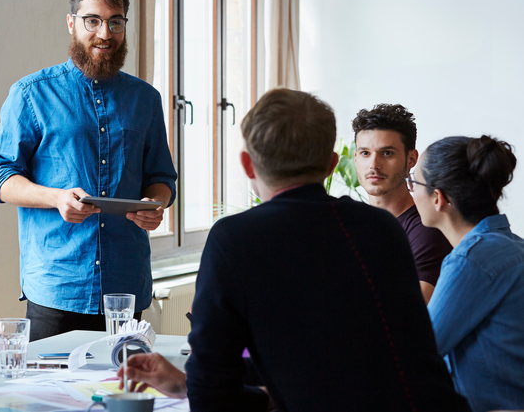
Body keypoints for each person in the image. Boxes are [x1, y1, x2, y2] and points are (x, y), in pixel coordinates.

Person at [121, 89, 470, 412]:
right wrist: (188, 384)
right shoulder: (381, 229)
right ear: (334, 163)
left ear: (247, 166)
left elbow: (214, 393)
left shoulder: (235, 238)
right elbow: (342, 360)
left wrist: (198, 386)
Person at [0, 0, 177, 341]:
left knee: (122, 391)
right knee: (50, 398)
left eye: (115, 22)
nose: (105, 33)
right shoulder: (30, 94)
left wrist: (156, 204)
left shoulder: (146, 100)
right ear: (72, 23)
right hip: (57, 286)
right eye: (93, 21)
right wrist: (56, 198)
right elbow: (0, 179)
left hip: (126, 288)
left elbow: (162, 178)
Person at [410, 135, 524, 412]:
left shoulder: (470, 259)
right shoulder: (513, 247)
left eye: (414, 181)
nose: (410, 191)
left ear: (438, 198)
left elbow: (421, 352)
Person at [352, 104, 452, 303]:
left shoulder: (426, 229)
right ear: (355, 158)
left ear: (411, 159)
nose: (373, 165)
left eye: (387, 153)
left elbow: (409, 316)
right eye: (365, 153)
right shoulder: (351, 224)